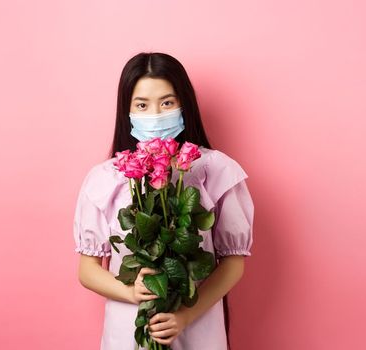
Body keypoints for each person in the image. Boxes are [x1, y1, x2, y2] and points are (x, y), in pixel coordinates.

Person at [73, 52, 254, 350]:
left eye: (167, 103)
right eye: (142, 105)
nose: (155, 115)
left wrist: (185, 315)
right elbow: (87, 269)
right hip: (128, 329)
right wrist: (132, 291)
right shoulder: (103, 179)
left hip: (197, 328)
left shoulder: (218, 170)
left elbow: (233, 263)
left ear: (184, 105)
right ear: (127, 110)